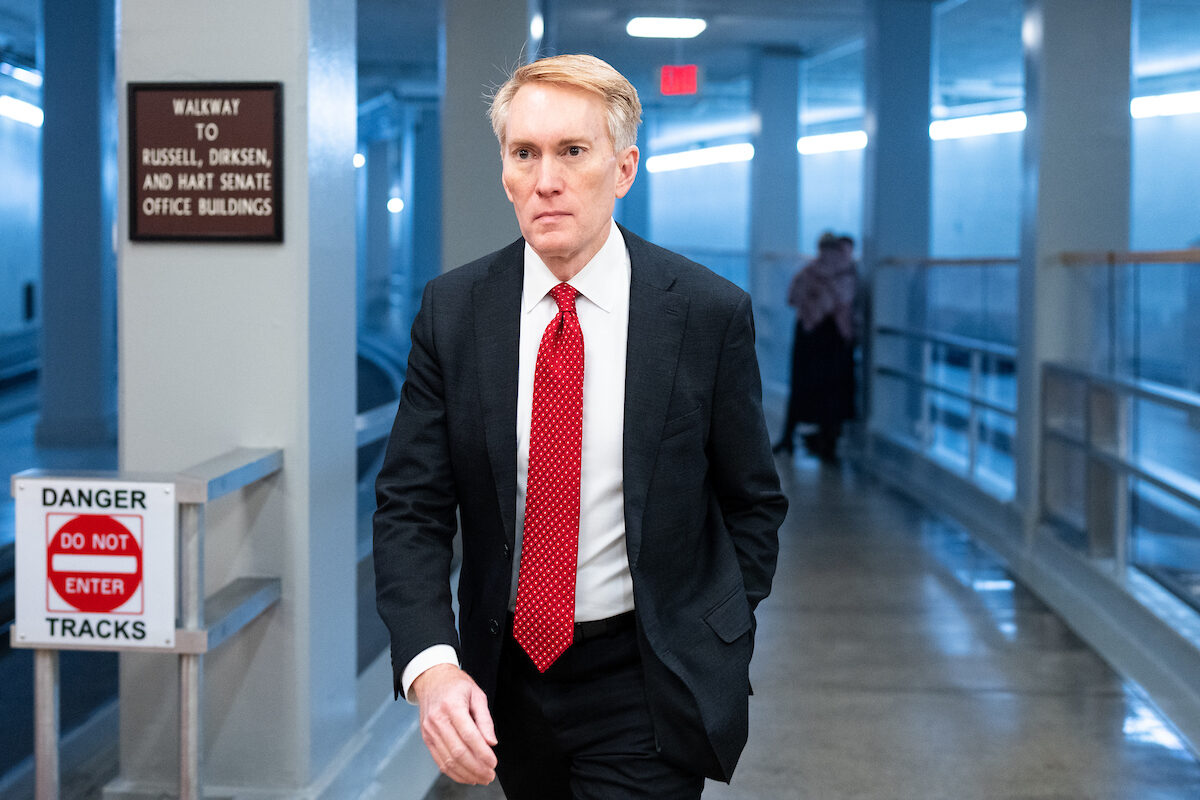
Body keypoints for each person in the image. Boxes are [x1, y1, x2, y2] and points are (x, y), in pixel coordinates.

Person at [373, 53, 787, 799]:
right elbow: (411, 507)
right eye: (524, 153)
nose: (546, 180)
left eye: (573, 152)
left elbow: (752, 500)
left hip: (646, 675)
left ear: (624, 168)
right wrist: (433, 668)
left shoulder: (703, 313)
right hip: (510, 676)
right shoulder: (455, 312)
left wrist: (719, 626)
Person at [774, 231, 860, 461]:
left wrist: (813, 303)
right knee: (833, 391)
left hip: (808, 334)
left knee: (801, 385)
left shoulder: (809, 271)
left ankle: (788, 437)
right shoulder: (847, 272)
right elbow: (844, 302)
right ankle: (827, 443)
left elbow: (792, 297)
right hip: (835, 338)